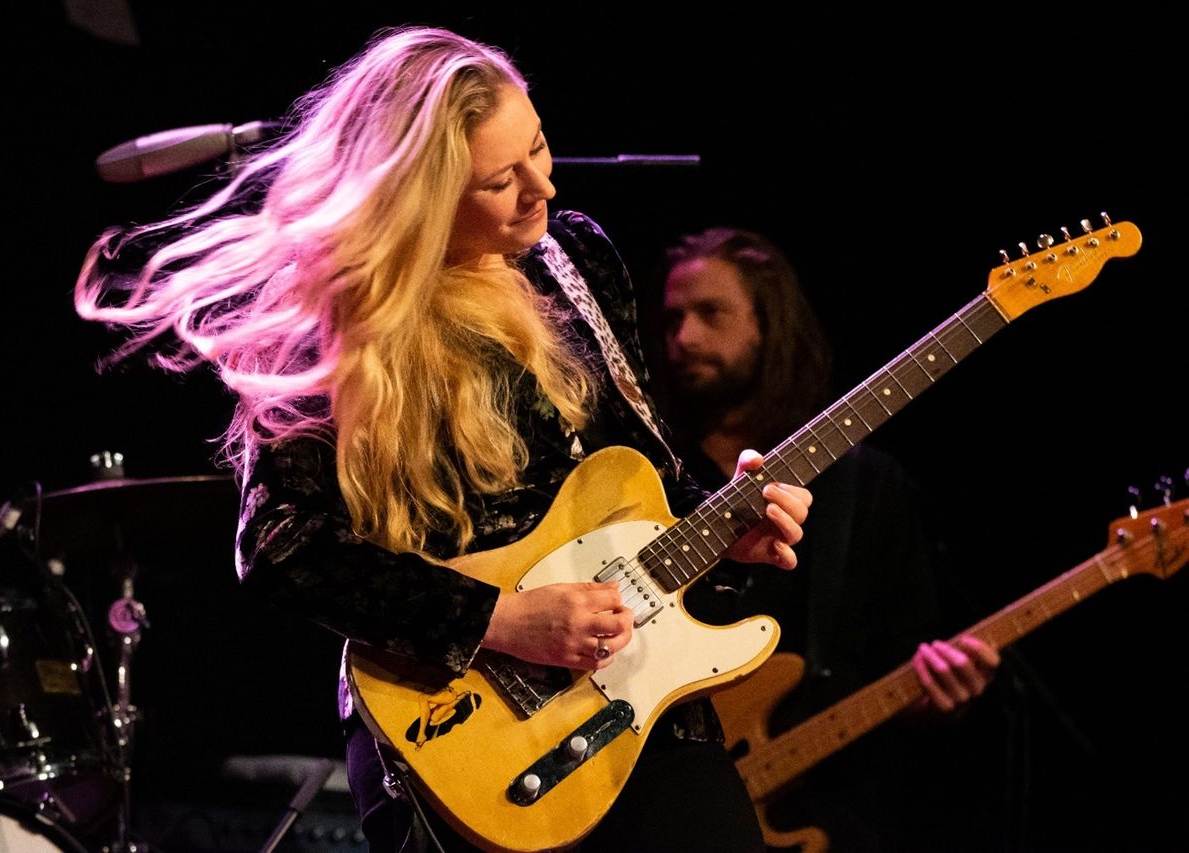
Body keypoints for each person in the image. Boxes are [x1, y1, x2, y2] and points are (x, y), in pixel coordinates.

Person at [73, 27, 814, 853]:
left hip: (644, 701)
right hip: (463, 733)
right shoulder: (341, 325)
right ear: (421, 201)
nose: (544, 186)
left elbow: (644, 481)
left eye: (538, 146)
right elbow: (282, 545)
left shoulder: (576, 257)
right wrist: (500, 619)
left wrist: (727, 535)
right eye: (500, 180)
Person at [656, 227, 1003, 851]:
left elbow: (907, 650)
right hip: (661, 798)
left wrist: (944, 693)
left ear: (771, 325)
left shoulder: (867, 486)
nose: (684, 338)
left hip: (834, 812)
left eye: (711, 313)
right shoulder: (650, 470)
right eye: (674, 317)